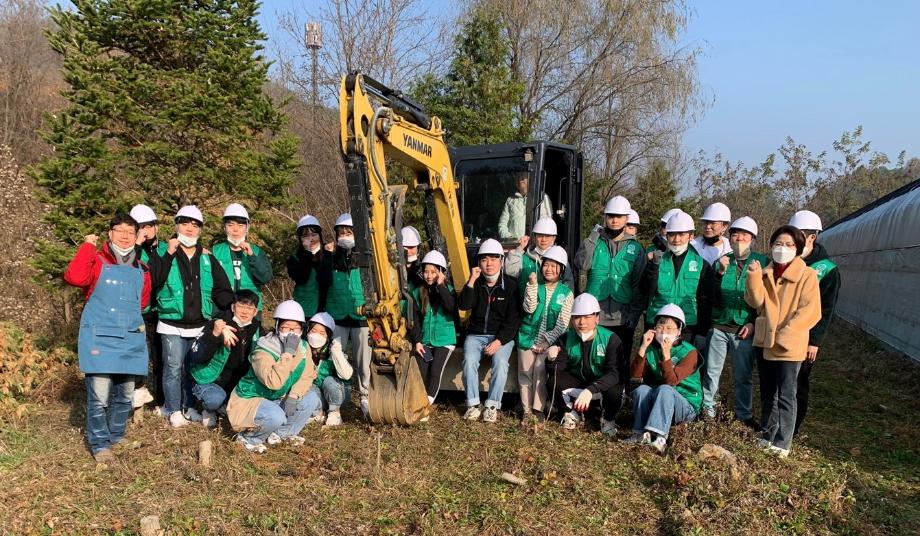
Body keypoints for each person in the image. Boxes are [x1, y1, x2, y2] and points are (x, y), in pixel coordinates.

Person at [63, 214, 152, 463]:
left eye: (130, 232)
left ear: (136, 237)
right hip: (100, 337)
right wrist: (87, 247)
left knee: (125, 395)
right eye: (119, 230)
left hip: (130, 338)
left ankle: (116, 435)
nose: (125, 236)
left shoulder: (142, 269)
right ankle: (100, 444)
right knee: (100, 397)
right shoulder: (97, 260)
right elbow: (75, 278)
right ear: (110, 233)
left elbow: (142, 302)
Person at [153, 205, 235, 428]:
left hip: (199, 324)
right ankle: (173, 409)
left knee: (190, 368)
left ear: (200, 230)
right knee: (172, 367)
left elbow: (222, 288)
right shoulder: (164, 252)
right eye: (185, 223)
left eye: (195, 224)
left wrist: (227, 311)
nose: (189, 228)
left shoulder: (206, 257)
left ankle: (189, 407)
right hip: (171, 322)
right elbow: (155, 280)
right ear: (176, 224)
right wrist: (169, 254)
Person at [744, 225, 821, 458]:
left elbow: (811, 311)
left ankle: (783, 441)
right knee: (768, 392)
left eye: (788, 245)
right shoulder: (766, 272)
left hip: (790, 343)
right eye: (778, 244)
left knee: (787, 394)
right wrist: (754, 277)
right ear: (771, 246)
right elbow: (755, 301)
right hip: (766, 340)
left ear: (798, 249)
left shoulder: (806, 275)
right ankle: (767, 435)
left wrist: (788, 332)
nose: (782, 249)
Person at [227, 300, 323, 453]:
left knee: (310, 398)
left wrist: (294, 395)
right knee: (275, 415)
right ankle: (249, 438)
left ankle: (281, 434)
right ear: (278, 327)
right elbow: (274, 382)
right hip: (251, 398)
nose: (291, 332)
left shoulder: (304, 347)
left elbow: (307, 375)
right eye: (286, 327)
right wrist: (287, 354)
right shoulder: (263, 349)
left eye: (296, 328)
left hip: (275, 397)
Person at [701, 217, 767, 424]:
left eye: (745, 235)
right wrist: (719, 273)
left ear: (753, 239)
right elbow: (709, 295)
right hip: (719, 326)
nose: (739, 239)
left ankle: (744, 415)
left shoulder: (762, 263)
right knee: (712, 372)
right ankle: (708, 411)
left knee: (743, 375)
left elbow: (767, 299)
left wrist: (753, 321)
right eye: (735, 235)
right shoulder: (721, 261)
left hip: (744, 328)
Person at [788, 210, 841, 436]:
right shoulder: (785, 260)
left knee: (798, 383)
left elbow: (827, 310)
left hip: (804, 336)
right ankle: (773, 422)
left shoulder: (826, 270)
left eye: (800, 235)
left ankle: (793, 427)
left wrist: (815, 342)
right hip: (781, 333)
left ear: (812, 237)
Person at [577, 195, 647, 360]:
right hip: (595, 315)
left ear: (626, 219)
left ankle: (621, 386)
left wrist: (634, 315)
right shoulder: (594, 243)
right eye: (610, 216)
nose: (614, 220)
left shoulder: (635, 248)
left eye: (619, 216)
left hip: (622, 317)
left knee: (619, 361)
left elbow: (640, 286)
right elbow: (582, 264)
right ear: (605, 217)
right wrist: (592, 239)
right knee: (593, 360)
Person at [625, 304, 702, 454]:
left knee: (665, 389)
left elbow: (671, 382)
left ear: (679, 332)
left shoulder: (690, 352)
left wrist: (666, 355)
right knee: (642, 389)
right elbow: (635, 376)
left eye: (669, 328)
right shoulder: (652, 349)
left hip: (686, 406)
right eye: (660, 326)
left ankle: (659, 437)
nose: (664, 332)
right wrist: (642, 347)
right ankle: (640, 433)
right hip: (660, 402)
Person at [459, 239, 521, 423]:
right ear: (479, 263)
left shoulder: (511, 286)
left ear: (501, 261)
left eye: (494, 259)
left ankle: (492, 405)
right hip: (476, 334)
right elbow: (464, 305)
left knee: (501, 363)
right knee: (469, 360)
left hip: (501, 336)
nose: (489, 264)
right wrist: (471, 280)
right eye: (484, 260)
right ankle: (472, 405)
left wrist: (499, 341)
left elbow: (513, 320)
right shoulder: (475, 284)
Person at [546, 293, 624, 437]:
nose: (582, 322)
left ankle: (608, 419)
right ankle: (570, 413)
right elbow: (557, 371)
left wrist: (591, 389)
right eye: (577, 317)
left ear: (597, 318)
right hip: (580, 382)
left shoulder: (612, 339)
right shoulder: (566, 338)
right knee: (553, 382)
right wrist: (551, 360)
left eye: (587, 317)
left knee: (615, 390)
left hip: (602, 385)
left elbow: (615, 373)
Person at [642, 210, 716, 350]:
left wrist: (702, 331)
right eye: (672, 234)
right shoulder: (657, 261)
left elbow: (706, 300)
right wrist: (652, 267)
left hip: (688, 326)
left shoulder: (702, 265)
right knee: (654, 366)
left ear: (691, 236)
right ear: (667, 235)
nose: (676, 239)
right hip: (658, 323)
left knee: (683, 367)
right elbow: (645, 290)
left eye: (682, 234)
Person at [188, 290, 261, 429]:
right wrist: (216, 334)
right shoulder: (219, 323)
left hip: (236, 381)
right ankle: (208, 409)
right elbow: (197, 356)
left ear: (255, 311)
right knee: (215, 399)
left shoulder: (256, 329)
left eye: (249, 308)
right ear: (233, 307)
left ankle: (225, 404)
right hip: (212, 378)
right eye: (241, 306)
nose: (245, 311)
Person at [517, 246, 573, 422]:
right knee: (525, 373)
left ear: (561, 269)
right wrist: (532, 286)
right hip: (527, 336)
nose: (549, 269)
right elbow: (529, 308)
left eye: (554, 266)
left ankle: (538, 409)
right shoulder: (534, 285)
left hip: (548, 343)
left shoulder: (566, 293)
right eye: (546, 265)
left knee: (540, 372)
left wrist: (547, 341)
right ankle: (526, 411)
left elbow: (563, 324)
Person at [325, 213, 372, 417]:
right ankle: (336, 401)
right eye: (341, 232)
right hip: (338, 315)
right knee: (337, 357)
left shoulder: (366, 258)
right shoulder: (331, 258)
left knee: (364, 361)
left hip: (361, 316)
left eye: (349, 232)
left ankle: (365, 396)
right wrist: (325, 255)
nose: (345, 236)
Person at [129, 203, 169, 409]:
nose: (147, 231)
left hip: (162, 311)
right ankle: (138, 394)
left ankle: (161, 401)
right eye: (141, 226)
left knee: (161, 357)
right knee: (140, 355)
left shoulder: (164, 249)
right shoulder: (133, 251)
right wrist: (136, 243)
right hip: (141, 312)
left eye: (150, 225)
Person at [406, 250, 457, 404]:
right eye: (426, 271)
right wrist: (417, 341)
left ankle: (426, 405)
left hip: (444, 339)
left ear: (441, 272)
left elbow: (450, 308)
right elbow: (414, 319)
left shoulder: (449, 290)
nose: (429, 275)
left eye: (433, 272)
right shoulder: (417, 292)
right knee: (420, 370)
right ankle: (417, 402)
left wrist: (441, 286)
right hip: (425, 340)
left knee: (435, 371)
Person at [211, 203, 273, 312]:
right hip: (221, 308)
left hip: (250, 308)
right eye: (230, 225)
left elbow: (265, 278)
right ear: (224, 227)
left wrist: (252, 256)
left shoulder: (256, 251)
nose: (235, 230)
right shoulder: (215, 251)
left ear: (247, 227)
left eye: (240, 225)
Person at [304, 312, 353, 427]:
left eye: (322, 333)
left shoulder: (333, 350)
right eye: (314, 331)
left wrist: (336, 351)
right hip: (319, 394)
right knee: (306, 385)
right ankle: (318, 412)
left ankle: (335, 413)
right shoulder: (303, 349)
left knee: (329, 380)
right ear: (308, 331)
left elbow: (347, 375)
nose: (316, 335)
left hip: (339, 393)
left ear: (328, 336)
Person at [505, 217, 574, 294]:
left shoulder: (560, 259)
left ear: (554, 238)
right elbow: (509, 271)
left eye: (547, 236)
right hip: (525, 304)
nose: (543, 239)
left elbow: (568, 284)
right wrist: (519, 249)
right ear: (534, 237)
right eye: (540, 235)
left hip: (553, 305)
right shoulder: (524, 258)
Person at [287, 215, 332, 319]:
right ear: (300, 238)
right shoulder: (294, 258)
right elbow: (301, 278)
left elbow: (327, 281)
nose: (310, 239)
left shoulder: (329, 256)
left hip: (327, 310)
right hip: (304, 310)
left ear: (320, 235)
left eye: (314, 234)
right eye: (305, 236)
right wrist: (307, 254)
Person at [498, 172, 553, 241]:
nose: (523, 179)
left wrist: (537, 240)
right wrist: (511, 239)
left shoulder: (542, 197)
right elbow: (502, 225)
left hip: (535, 245)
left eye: (526, 177)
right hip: (515, 246)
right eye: (521, 178)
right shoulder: (510, 200)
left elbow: (548, 222)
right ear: (517, 184)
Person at [401, 225, 425, 290]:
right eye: (405, 247)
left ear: (418, 248)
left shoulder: (423, 268)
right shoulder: (395, 268)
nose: (408, 251)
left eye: (411, 247)